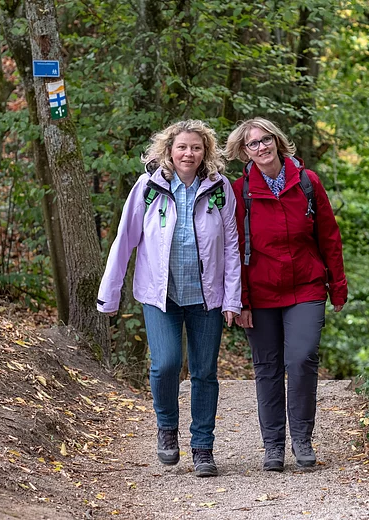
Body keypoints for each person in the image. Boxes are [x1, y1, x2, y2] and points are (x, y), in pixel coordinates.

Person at [97, 120, 241, 477]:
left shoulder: (219, 188)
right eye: (182, 147)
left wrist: (233, 299)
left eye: (195, 147)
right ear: (169, 150)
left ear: (205, 151)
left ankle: (203, 448)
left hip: (206, 297)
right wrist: (109, 295)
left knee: (204, 373)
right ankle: (166, 429)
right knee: (165, 365)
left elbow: (233, 246)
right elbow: (124, 239)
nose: (188, 154)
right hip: (160, 297)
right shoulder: (149, 187)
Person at [225, 118, 347, 472]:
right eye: (252, 144)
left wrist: (337, 286)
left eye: (266, 140)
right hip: (259, 292)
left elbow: (329, 237)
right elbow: (235, 248)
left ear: (277, 142)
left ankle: (302, 439)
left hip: (305, 286)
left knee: (302, 358)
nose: (261, 147)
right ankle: (273, 446)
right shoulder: (240, 191)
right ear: (244, 152)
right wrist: (241, 300)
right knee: (267, 368)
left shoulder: (308, 183)